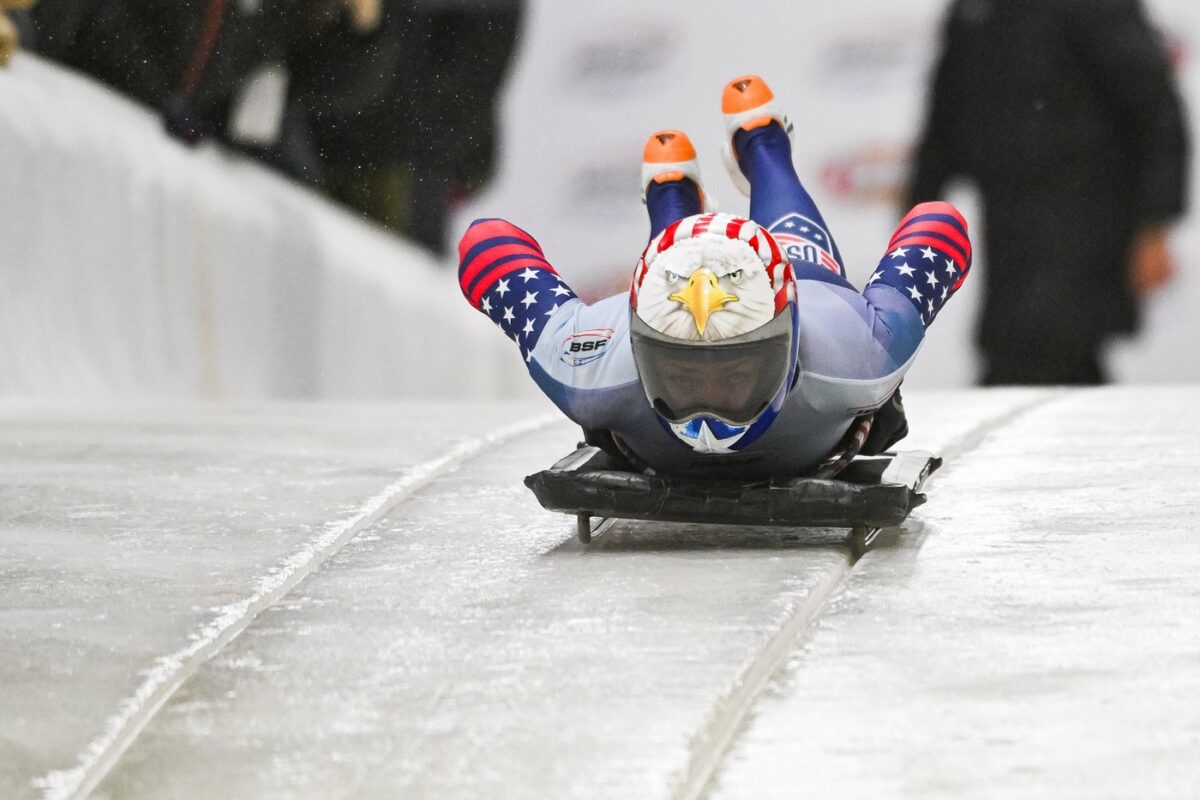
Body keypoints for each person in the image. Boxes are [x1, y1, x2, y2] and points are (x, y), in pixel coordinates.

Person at [458, 75, 973, 480]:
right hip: (796, 332)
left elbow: (486, 243)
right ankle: (704, 175)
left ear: (791, 344)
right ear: (640, 349)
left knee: (792, 247)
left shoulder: (848, 350)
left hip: (802, 291)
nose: (708, 420)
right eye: (681, 377)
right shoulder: (861, 355)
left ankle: (751, 152)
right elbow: (939, 226)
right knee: (764, 253)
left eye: (737, 375)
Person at [907, 0, 1189, 385]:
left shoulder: (1098, 8)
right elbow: (947, 110)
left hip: (1087, 209)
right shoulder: (976, 9)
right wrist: (918, 210)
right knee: (1009, 341)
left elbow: (1157, 112)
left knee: (1056, 343)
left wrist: (1156, 226)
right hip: (1007, 214)